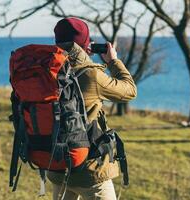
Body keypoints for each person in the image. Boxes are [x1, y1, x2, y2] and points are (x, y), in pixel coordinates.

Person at [47, 17, 137, 200]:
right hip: (88, 170)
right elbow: (129, 91)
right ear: (85, 45)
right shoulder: (91, 74)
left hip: (56, 164)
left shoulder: (47, 69)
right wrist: (113, 61)